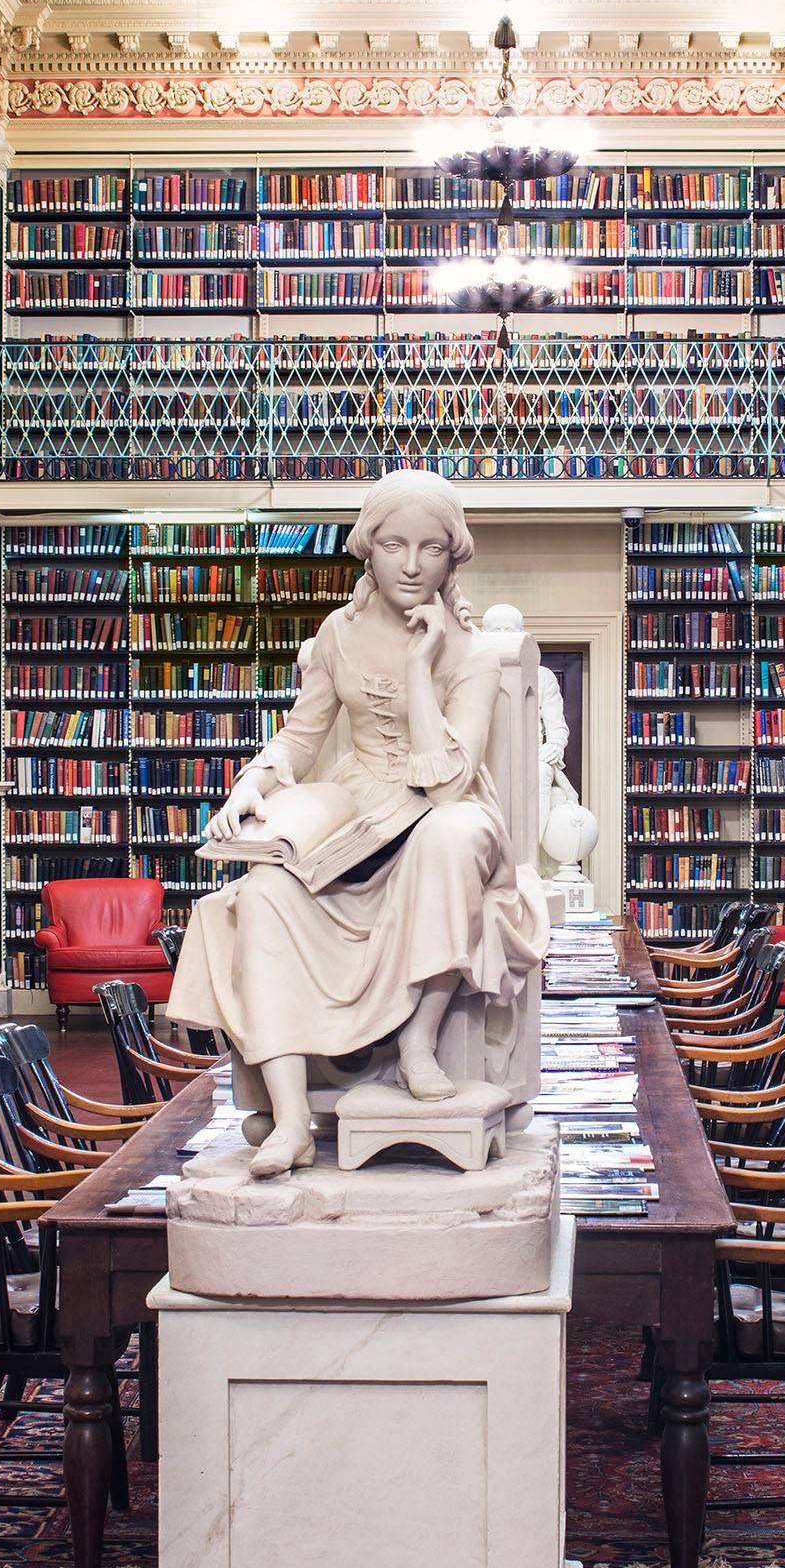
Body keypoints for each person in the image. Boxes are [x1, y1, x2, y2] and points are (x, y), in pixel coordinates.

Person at [168, 469, 549, 1177]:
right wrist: (254, 779)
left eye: (431, 548)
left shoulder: (467, 652)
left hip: (444, 808)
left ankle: (417, 1040)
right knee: (259, 896)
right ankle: (288, 1119)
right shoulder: (336, 634)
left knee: (447, 837)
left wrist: (418, 661)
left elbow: (448, 776)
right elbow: (303, 735)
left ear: (451, 556)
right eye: (395, 544)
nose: (411, 564)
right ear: (367, 548)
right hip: (358, 813)